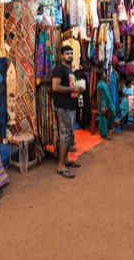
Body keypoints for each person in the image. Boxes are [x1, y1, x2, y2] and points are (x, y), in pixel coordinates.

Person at [52, 45, 85, 179]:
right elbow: (55, 87)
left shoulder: (69, 70)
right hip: (63, 106)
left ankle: (65, 160)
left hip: (70, 106)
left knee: (70, 134)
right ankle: (60, 166)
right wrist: (73, 89)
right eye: (67, 54)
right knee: (65, 134)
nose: (70, 56)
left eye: (71, 53)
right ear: (61, 55)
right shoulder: (59, 69)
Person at [96, 68, 116, 140]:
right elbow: (99, 96)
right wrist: (101, 107)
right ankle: (104, 134)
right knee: (103, 118)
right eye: (104, 73)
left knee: (107, 117)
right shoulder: (99, 85)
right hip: (103, 104)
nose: (105, 74)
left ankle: (105, 132)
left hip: (106, 103)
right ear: (101, 76)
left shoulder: (104, 83)